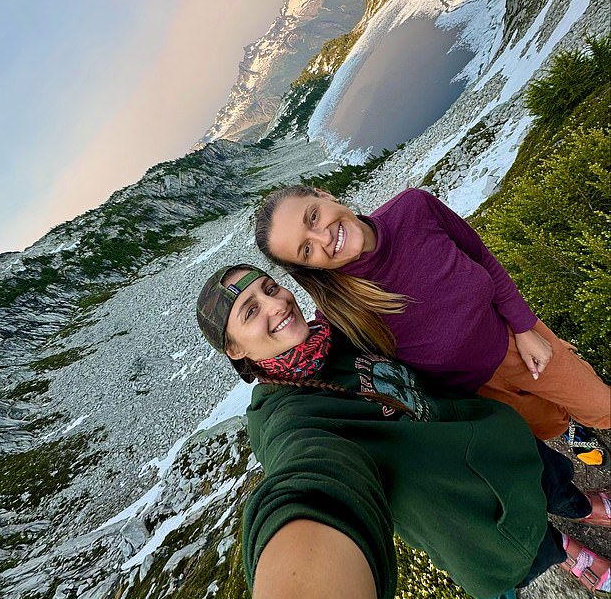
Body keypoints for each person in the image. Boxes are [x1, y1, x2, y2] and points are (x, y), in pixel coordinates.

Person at [196, 264, 611, 599]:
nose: (276, 304)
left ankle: (584, 507)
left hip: (488, 437)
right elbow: (308, 479)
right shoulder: (286, 418)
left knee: (550, 479)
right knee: (526, 545)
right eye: (250, 311)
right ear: (234, 349)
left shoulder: (335, 331)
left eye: (270, 288)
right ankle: (566, 552)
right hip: (462, 510)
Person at [254, 185, 611, 464]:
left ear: (324, 195)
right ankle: (569, 430)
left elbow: (480, 255)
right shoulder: (340, 311)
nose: (323, 238)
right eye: (305, 250)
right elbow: (314, 364)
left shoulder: (414, 208)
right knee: (546, 423)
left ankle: (576, 418)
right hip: (479, 393)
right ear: (309, 268)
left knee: (601, 405)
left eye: (313, 217)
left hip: (516, 339)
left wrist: (523, 325)